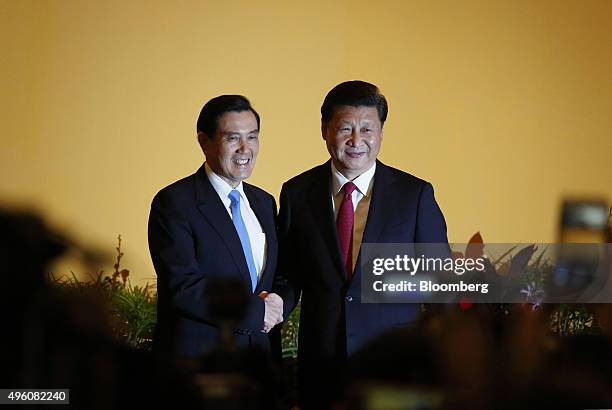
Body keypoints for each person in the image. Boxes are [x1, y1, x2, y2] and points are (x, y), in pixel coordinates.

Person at [274, 81, 449, 408]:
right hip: (322, 367)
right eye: (345, 129)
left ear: (381, 132)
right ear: (325, 130)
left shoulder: (415, 195)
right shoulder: (296, 193)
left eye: (367, 129)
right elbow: (288, 275)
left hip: (394, 369)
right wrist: (268, 310)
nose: (357, 141)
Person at [148, 95, 283, 358]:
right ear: (204, 142)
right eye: (233, 138)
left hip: (259, 362)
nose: (245, 149)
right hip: (200, 365)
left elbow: (277, 276)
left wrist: (280, 303)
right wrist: (257, 312)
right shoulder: (174, 202)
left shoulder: (264, 202)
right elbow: (184, 287)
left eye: (252, 137)